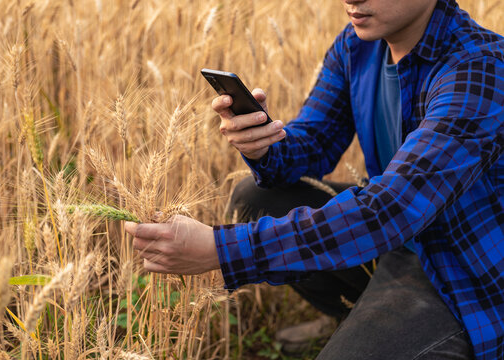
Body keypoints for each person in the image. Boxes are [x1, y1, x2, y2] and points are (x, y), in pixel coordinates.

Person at [124, 0, 504, 358]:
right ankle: (358, 316)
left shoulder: (480, 68)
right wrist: (264, 146)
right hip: (400, 240)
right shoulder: (358, 47)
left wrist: (220, 251)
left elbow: (391, 210)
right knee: (254, 197)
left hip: (463, 269)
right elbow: (316, 143)